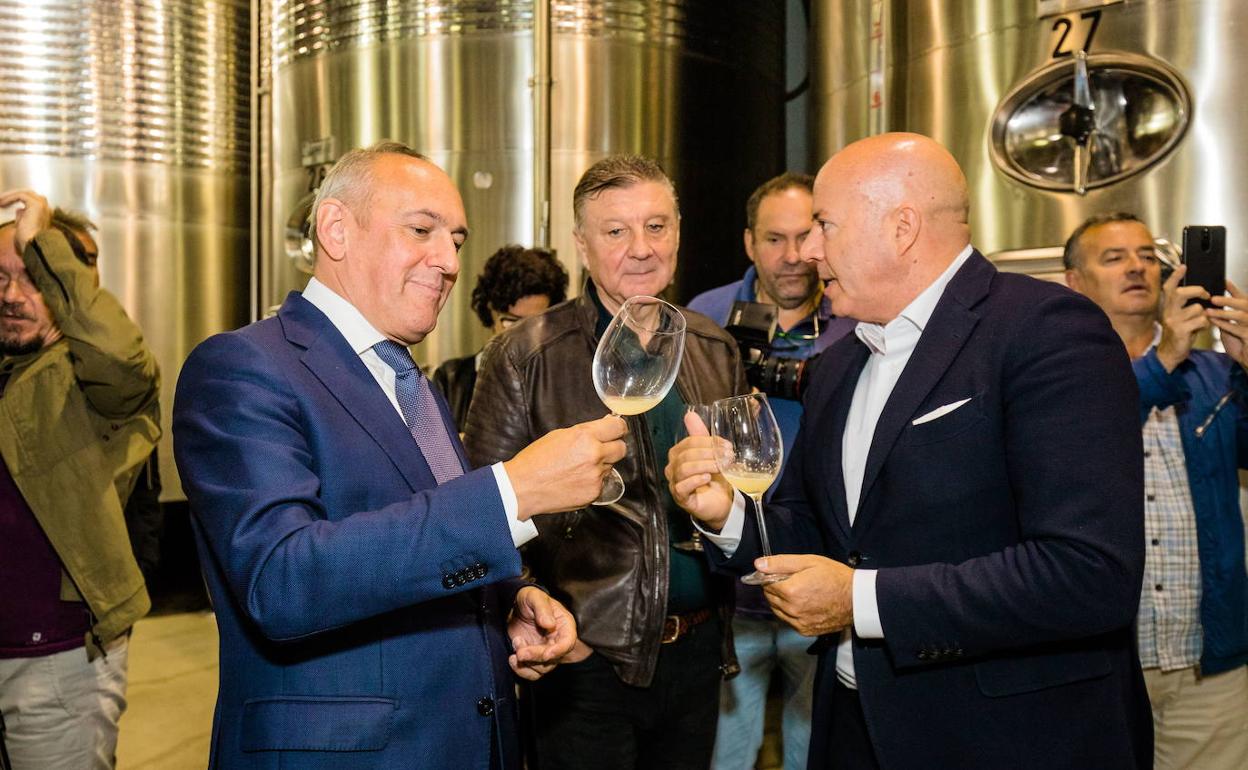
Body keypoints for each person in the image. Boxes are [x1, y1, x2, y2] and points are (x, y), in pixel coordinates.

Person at [666, 133, 1153, 769]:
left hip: (1005, 738)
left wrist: (861, 600)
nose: (809, 252)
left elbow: (1090, 574)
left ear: (901, 228)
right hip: (852, 727)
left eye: (824, 226)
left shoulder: (1046, 331)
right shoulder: (840, 365)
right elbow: (825, 534)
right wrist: (724, 514)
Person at [172, 142, 627, 769]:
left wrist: (505, 603)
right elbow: (283, 580)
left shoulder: (416, 386)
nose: (447, 262)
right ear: (335, 229)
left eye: (458, 241)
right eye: (422, 230)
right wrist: (511, 493)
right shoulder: (243, 367)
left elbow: (422, 546)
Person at [464, 154, 748, 770]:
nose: (641, 248)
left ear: (678, 233)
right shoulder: (526, 355)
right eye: (616, 231)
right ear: (582, 246)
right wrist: (537, 611)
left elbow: (741, 494)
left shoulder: (713, 347)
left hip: (698, 650)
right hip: (588, 662)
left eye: (656, 226)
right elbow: (479, 514)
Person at [1064, 213, 1248, 769]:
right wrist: (1164, 356)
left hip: (1209, 658)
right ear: (1075, 282)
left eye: (1147, 254)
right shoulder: (1053, 373)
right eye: (1114, 257)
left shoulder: (1216, 372)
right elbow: (1088, 434)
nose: (1138, 266)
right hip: (1100, 658)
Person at [687, 172, 854, 770]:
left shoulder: (852, 314)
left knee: (813, 749)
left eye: (805, 235)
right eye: (774, 239)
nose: (792, 257)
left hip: (820, 574)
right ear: (749, 243)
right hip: (731, 591)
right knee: (728, 752)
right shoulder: (705, 316)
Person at [0, 190, 160, 768]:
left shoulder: (94, 382)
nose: (13, 295)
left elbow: (122, 360)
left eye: (33, 275)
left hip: (58, 666)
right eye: (0, 277)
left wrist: (43, 242)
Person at [50, 208, 165, 584]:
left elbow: (145, 476)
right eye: (71, 260)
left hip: (110, 566)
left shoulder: (113, 345)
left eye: (90, 260)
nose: (83, 271)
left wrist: (143, 555)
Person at [432, 244, 568, 430]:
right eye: (511, 322)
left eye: (535, 323)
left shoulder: (561, 382)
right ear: (490, 313)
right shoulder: (451, 380)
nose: (523, 337)